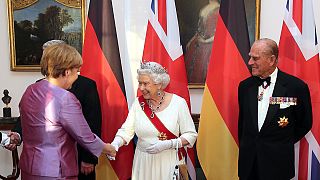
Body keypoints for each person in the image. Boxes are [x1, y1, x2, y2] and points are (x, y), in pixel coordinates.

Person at [6, 39, 102, 179]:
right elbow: (28, 117)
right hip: (45, 166)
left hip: (79, 158)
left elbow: (92, 123)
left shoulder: (86, 86)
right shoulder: (36, 87)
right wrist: (17, 135)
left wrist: (89, 158)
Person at [238, 38, 313, 180]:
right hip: (248, 166)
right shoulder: (245, 87)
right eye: (250, 57)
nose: (250, 63)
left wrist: (281, 142)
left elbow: (305, 123)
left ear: (271, 60)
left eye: (255, 58)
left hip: (278, 166)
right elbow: (243, 124)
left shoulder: (296, 87)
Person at [109, 61, 198, 179]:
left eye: (145, 84)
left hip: (168, 160)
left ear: (159, 84)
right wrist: (116, 144)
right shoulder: (138, 103)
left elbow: (191, 135)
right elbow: (126, 130)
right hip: (143, 162)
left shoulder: (178, 103)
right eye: (140, 83)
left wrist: (168, 144)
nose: (141, 88)